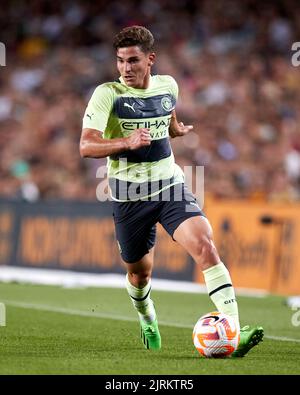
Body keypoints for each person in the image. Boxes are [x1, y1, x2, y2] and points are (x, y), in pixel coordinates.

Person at [80, 25, 264, 356]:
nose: (126, 69)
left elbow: (166, 111)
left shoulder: (169, 86)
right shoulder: (107, 93)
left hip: (169, 186)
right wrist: (126, 141)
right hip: (129, 198)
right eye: (120, 61)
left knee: (205, 246)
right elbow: (85, 146)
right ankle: (146, 316)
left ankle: (233, 332)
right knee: (139, 275)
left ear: (150, 59)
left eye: (133, 61)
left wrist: (174, 127)